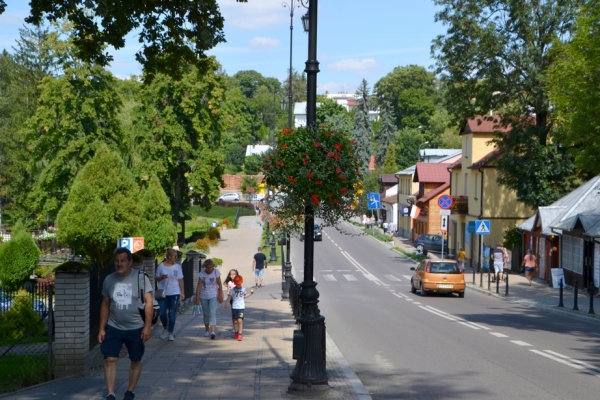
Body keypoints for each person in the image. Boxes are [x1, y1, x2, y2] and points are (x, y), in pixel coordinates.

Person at [99, 248, 152, 400]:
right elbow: (105, 304)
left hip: (136, 327)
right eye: (117, 261)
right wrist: (102, 328)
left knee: (135, 359)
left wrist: (147, 326)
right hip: (114, 326)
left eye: (123, 260)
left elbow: (148, 303)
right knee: (110, 358)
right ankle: (110, 393)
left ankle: (130, 391)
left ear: (130, 262)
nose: (119, 264)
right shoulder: (109, 280)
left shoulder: (141, 278)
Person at [155, 248, 185, 341]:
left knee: (172, 313)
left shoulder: (177, 267)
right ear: (169, 256)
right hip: (163, 292)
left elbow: (180, 279)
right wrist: (161, 277)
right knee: (163, 312)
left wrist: (182, 292)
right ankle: (165, 327)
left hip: (174, 292)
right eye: (174, 256)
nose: (176, 258)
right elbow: (156, 278)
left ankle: (171, 333)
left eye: (176, 256)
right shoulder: (161, 266)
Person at [194, 259, 223, 339]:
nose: (208, 269)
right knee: (206, 313)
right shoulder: (202, 274)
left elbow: (220, 284)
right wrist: (197, 298)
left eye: (210, 268)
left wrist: (220, 295)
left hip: (213, 295)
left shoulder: (216, 272)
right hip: (203, 295)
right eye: (207, 268)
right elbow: (199, 286)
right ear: (205, 267)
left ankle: (213, 331)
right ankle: (207, 330)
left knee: (212, 312)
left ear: (212, 266)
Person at [224, 275, 254, 341]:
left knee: (240, 320)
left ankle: (240, 334)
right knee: (235, 321)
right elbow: (229, 297)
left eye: (239, 284)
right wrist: (226, 303)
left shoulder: (243, 289)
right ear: (234, 283)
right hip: (234, 307)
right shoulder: (232, 290)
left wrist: (250, 293)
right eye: (237, 284)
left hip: (241, 307)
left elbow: (244, 296)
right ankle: (236, 332)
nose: (238, 285)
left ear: (241, 283)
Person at [223, 269, 239, 333]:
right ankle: (234, 327)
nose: (233, 276)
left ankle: (238, 326)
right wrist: (229, 294)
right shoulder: (229, 283)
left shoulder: (239, 281)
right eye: (231, 274)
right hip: (232, 300)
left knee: (239, 315)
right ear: (229, 276)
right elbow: (228, 291)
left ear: (237, 275)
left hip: (239, 300)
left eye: (234, 274)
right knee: (234, 314)